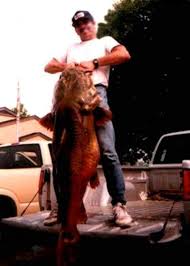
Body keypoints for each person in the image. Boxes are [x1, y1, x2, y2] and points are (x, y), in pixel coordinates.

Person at [43, 10, 132, 227]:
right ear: (75, 29)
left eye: (86, 23)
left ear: (94, 24)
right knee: (60, 154)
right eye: (79, 25)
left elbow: (124, 55)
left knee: (107, 150)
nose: (83, 27)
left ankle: (119, 204)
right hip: (66, 100)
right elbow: (48, 66)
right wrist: (68, 67)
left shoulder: (105, 41)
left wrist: (94, 62)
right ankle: (62, 206)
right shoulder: (70, 49)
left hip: (94, 96)